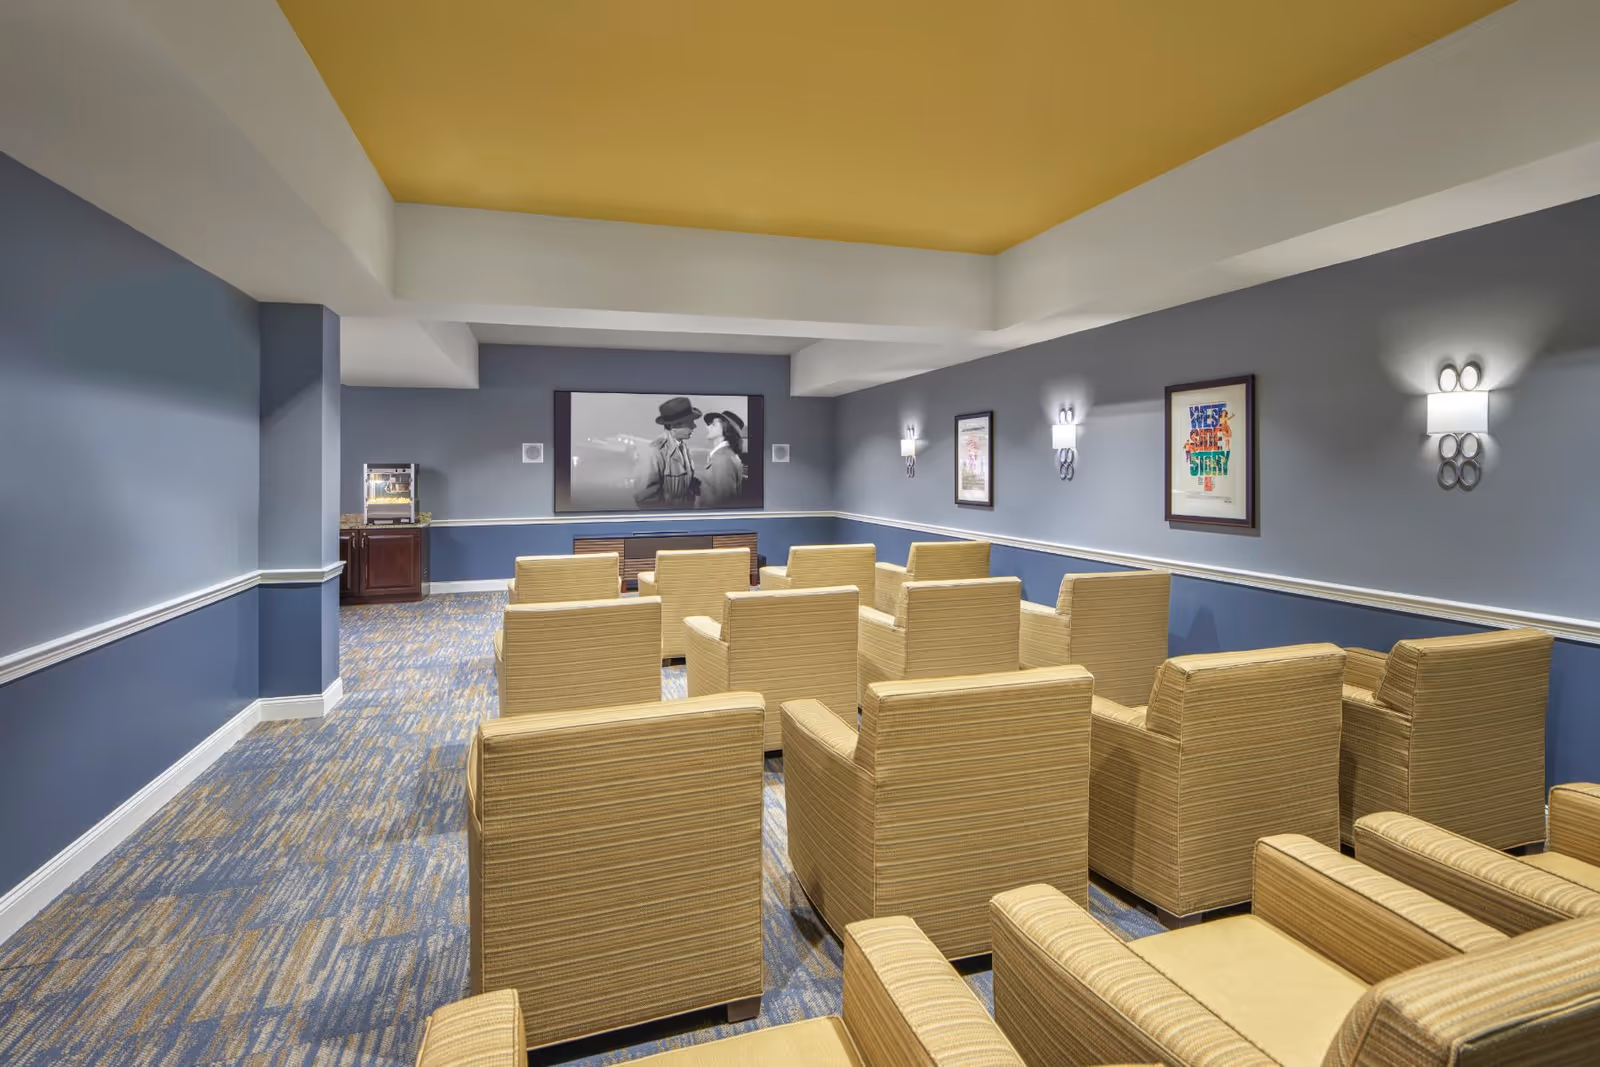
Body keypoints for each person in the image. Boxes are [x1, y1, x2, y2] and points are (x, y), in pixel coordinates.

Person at [632, 397, 700, 509]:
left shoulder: (684, 448)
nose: (694, 426)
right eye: (690, 422)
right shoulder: (654, 452)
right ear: (675, 426)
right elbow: (645, 498)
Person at [697, 409, 747, 508]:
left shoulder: (723, 459)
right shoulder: (726, 455)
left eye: (713, 424)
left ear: (726, 428)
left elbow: (724, 503)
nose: (707, 427)